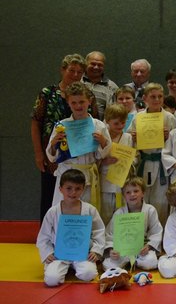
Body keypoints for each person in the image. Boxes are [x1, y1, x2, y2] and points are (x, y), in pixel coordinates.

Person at [31, 54, 87, 221]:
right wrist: (39, 153)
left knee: (77, 195)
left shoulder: (85, 94)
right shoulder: (48, 93)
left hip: (80, 156)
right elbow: (35, 122)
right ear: (62, 70)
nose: (76, 75)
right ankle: (48, 235)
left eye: (79, 72)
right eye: (72, 70)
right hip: (53, 155)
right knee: (50, 196)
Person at [46, 82, 111, 210]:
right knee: (63, 212)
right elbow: (52, 157)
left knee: (87, 212)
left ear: (89, 101)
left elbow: (102, 154)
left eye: (81, 102)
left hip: (87, 176)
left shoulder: (98, 125)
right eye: (74, 103)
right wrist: (53, 144)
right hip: (66, 174)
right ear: (68, 103)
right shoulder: (62, 126)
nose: (78, 106)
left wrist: (103, 142)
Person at [36, 169, 105, 287]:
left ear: (83, 189)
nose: (73, 192)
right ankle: (64, 267)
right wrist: (48, 253)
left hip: (83, 253)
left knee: (88, 274)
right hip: (59, 254)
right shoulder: (53, 211)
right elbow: (43, 236)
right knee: (51, 280)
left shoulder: (89, 210)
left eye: (78, 188)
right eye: (69, 188)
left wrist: (95, 251)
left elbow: (99, 231)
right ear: (60, 189)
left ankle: (75, 267)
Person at [128, 83, 176, 225]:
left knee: (160, 200)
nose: (157, 100)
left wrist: (169, 137)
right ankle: (141, 234)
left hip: (162, 164)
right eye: (153, 97)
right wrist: (133, 138)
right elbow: (128, 141)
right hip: (143, 163)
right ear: (145, 98)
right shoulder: (138, 117)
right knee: (141, 199)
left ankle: (160, 235)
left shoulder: (169, 117)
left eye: (160, 97)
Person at [103, 177, 163, 270]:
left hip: (142, 249)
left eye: (136, 191)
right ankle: (128, 261)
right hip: (122, 250)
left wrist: (149, 246)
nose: (132, 195)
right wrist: (111, 250)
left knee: (151, 262)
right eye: (128, 192)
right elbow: (110, 234)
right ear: (124, 196)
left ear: (143, 193)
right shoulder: (119, 213)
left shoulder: (150, 210)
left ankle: (136, 260)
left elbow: (156, 231)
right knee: (108, 265)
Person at [99, 103, 135, 225]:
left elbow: (133, 157)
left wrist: (130, 162)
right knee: (105, 214)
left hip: (122, 181)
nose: (120, 126)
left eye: (123, 123)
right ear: (107, 121)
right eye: (116, 123)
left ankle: (120, 241)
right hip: (105, 181)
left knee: (122, 214)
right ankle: (105, 242)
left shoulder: (128, 137)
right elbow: (95, 158)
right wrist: (104, 161)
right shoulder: (102, 137)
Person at [82, 51, 118, 121]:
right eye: (93, 64)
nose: (96, 67)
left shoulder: (112, 87)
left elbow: (114, 114)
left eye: (100, 65)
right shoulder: (77, 81)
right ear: (86, 64)